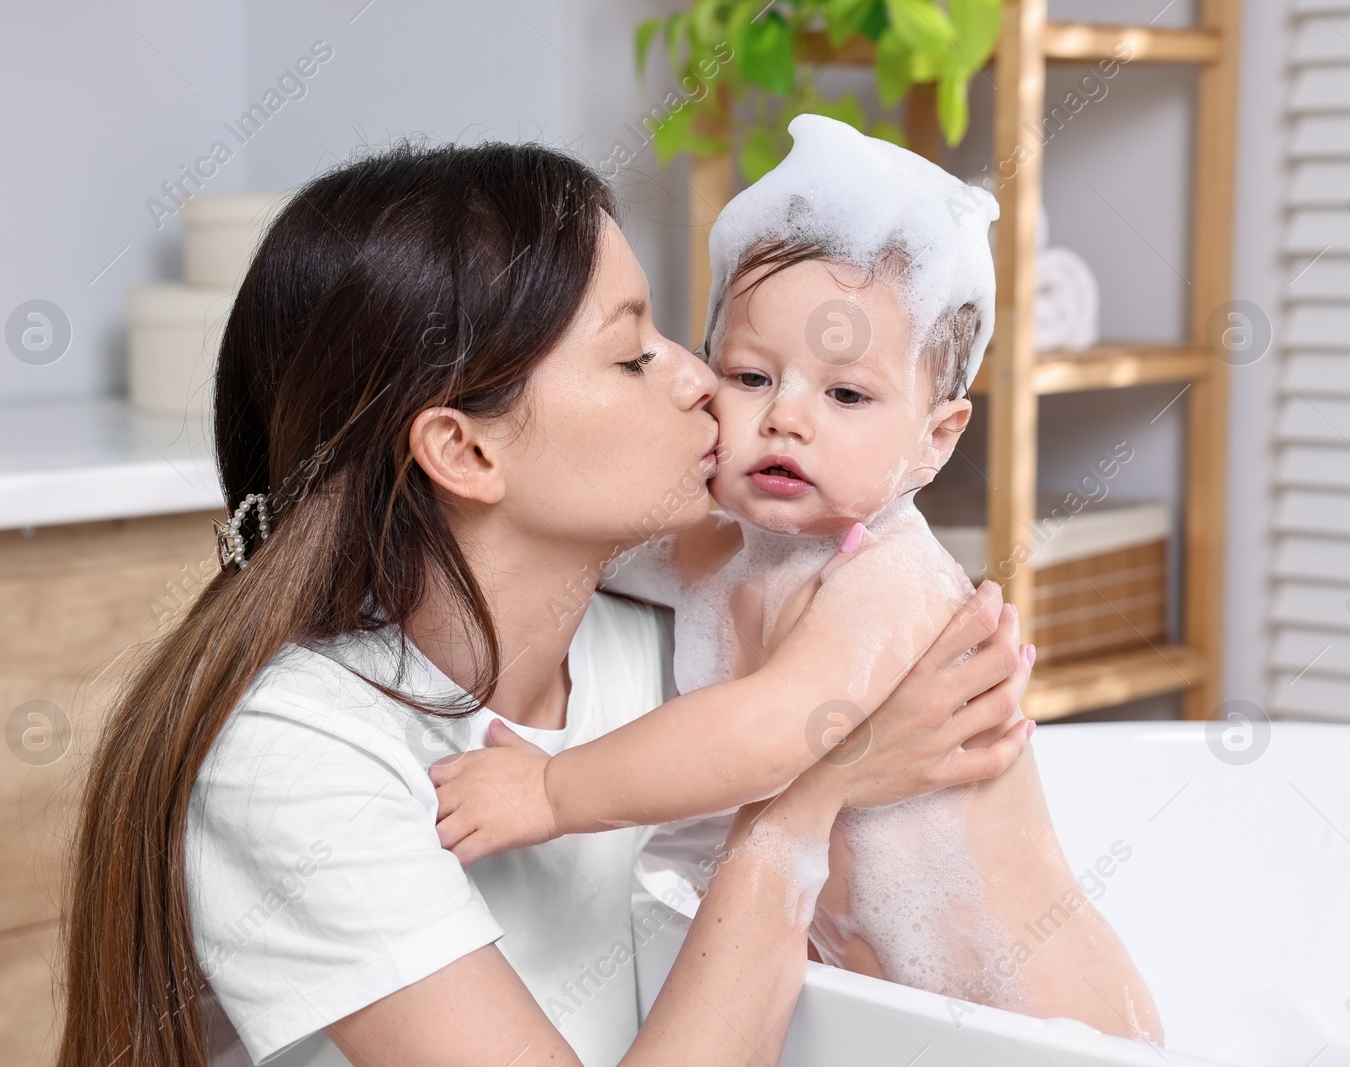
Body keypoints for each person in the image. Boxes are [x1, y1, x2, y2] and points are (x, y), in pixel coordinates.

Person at [56, 137, 1032, 1067]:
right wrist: (805, 799)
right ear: (466, 450)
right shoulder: (297, 757)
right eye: (634, 352)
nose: (703, 381)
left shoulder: (664, 645)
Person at [431, 116, 1162, 1041]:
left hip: (1039, 1023)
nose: (787, 418)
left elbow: (770, 730)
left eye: (847, 394)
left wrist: (552, 791)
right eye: (749, 375)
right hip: (894, 1008)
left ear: (935, 438)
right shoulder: (729, 545)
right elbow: (588, 549)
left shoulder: (887, 578)